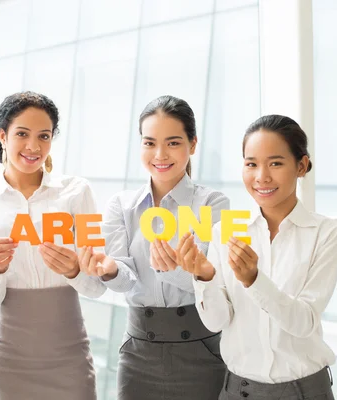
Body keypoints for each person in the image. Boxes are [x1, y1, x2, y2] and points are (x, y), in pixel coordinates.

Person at [178, 115, 337, 400]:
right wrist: (203, 277)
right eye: (251, 164)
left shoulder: (325, 233)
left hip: (304, 391)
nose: (262, 177)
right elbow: (216, 322)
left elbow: (303, 322)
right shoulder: (225, 232)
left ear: (301, 166)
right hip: (237, 391)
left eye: (276, 163)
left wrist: (254, 280)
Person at [79, 95, 228, 399]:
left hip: (203, 349)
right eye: (149, 143)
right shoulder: (121, 205)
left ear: (193, 144)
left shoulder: (213, 204)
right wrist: (109, 271)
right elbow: (125, 279)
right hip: (138, 351)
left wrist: (173, 270)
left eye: (173, 143)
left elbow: (216, 282)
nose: (160, 154)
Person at [0, 91, 105, 400]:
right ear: (3, 135)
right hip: (9, 362)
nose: (33, 146)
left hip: (70, 358)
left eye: (44, 136)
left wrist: (74, 272)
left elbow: (97, 287)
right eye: (22, 134)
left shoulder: (77, 192)